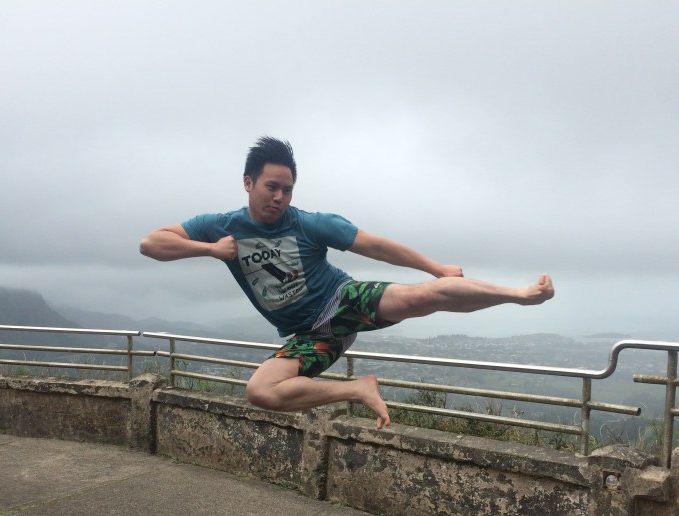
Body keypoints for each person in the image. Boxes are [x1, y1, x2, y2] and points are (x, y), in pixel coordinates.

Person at [140, 136, 554, 429]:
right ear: (248, 183)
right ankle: (357, 389)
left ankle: (519, 295)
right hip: (308, 333)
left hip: (343, 301)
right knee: (260, 392)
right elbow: (151, 243)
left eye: (287, 189)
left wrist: (436, 267)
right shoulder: (219, 227)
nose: (280, 197)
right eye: (271, 187)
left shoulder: (310, 223)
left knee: (423, 297)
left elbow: (374, 246)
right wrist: (211, 250)